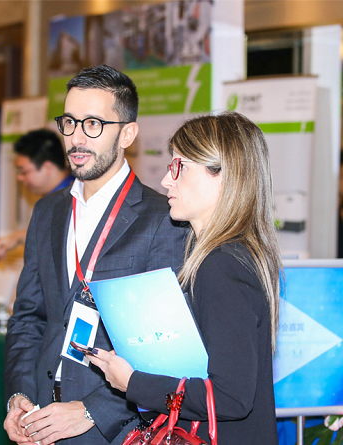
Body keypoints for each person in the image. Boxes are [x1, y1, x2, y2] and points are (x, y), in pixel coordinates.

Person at [3, 64, 187, 445]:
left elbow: (164, 351)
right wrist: (19, 396)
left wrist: (91, 411)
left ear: (127, 134)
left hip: (113, 432)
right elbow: (28, 318)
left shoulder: (161, 219)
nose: (76, 138)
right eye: (69, 123)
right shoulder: (48, 211)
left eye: (93, 124)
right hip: (39, 422)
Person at [88, 111, 282, 445]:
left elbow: (230, 397)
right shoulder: (231, 255)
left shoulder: (221, 265)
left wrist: (134, 383)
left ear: (224, 176)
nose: (167, 180)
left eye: (180, 167)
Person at [0, 129, 73, 259]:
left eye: (24, 172)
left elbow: (60, 234)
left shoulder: (73, 197)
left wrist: (18, 237)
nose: (19, 178)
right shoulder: (54, 197)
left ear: (47, 167)